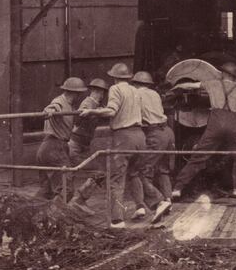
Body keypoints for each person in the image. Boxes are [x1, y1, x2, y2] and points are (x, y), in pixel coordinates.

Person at [170, 62, 236, 198]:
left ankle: (177, 189)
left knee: (199, 156)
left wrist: (177, 86)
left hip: (216, 122)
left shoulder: (212, 84)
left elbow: (190, 85)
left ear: (225, 74)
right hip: (233, 123)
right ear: (234, 77)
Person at [79, 63, 147, 228]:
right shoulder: (135, 91)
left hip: (124, 136)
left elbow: (112, 111)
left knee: (116, 179)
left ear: (115, 77)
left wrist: (91, 111)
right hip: (140, 136)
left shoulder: (116, 89)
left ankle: (117, 220)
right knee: (134, 173)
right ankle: (140, 207)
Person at [131, 71, 174, 223]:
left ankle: (158, 202)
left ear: (135, 83)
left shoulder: (136, 95)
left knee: (139, 171)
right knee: (163, 169)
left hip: (154, 134)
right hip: (168, 132)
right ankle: (168, 201)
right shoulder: (155, 94)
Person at [36, 77, 88, 201]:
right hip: (54, 147)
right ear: (75, 93)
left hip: (48, 148)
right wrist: (49, 111)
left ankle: (33, 212)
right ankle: (56, 215)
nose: (80, 96)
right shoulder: (60, 102)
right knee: (66, 188)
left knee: (47, 189)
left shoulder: (69, 106)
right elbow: (53, 107)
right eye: (80, 94)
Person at [68, 78, 110, 214]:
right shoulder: (88, 102)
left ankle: (76, 201)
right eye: (101, 92)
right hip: (76, 145)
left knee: (95, 172)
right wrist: (88, 112)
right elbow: (78, 118)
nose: (102, 95)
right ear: (98, 92)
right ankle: (77, 201)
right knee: (98, 172)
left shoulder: (97, 105)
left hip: (83, 145)